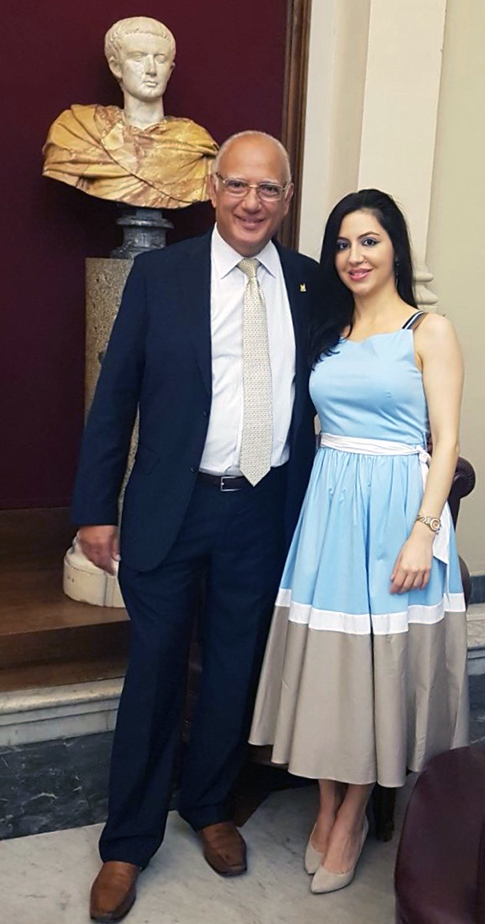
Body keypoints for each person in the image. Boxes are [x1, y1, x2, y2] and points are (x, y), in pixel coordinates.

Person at [72, 130, 318, 922]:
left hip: (263, 509)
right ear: (212, 190)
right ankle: (127, 841)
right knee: (154, 671)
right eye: (237, 185)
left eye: (268, 188)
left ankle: (209, 804)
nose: (252, 202)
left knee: (233, 668)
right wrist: (94, 509)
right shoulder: (160, 276)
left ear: (286, 199)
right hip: (171, 508)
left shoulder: (310, 285)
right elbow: (115, 398)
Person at [249, 188, 469, 895]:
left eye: (369, 240)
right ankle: (326, 802)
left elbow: (446, 442)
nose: (355, 256)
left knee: (379, 668)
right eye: (343, 244)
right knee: (328, 666)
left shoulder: (428, 330)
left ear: (395, 247)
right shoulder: (328, 330)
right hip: (331, 511)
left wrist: (423, 534)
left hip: (399, 509)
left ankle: (351, 815)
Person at [42, 17, 217, 208]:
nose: (151, 70)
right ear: (116, 67)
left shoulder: (195, 142)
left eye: (160, 59)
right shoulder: (78, 130)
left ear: (170, 70)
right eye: (138, 57)